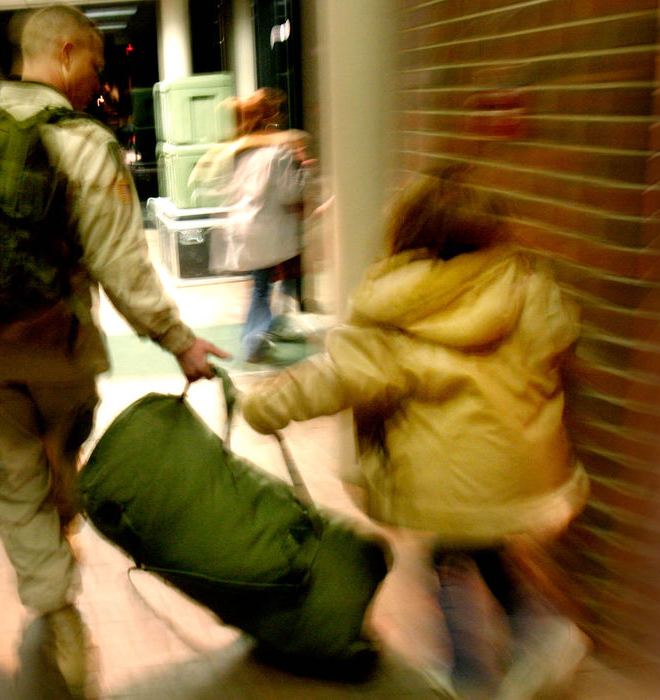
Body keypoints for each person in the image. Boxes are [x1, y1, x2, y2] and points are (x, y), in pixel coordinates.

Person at [0, 5, 229, 696]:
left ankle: (54, 608)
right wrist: (177, 343)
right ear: (64, 54)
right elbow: (122, 265)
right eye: (94, 66)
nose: (98, 83)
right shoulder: (81, 143)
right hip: (57, 353)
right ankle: (57, 567)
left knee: (10, 482)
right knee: (58, 475)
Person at [239, 164, 590, 699]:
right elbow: (558, 339)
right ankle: (531, 636)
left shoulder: (399, 308)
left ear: (410, 232)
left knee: (447, 559)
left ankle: (474, 672)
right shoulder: (525, 285)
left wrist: (265, 409)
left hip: (452, 478)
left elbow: (338, 378)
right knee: (483, 547)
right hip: (522, 466)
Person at [190, 88, 312, 362]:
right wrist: (305, 171)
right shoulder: (278, 151)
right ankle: (255, 337)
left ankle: (270, 328)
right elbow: (290, 192)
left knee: (264, 285)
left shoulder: (236, 149)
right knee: (265, 287)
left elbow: (223, 187)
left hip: (245, 227)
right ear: (270, 116)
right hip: (267, 230)